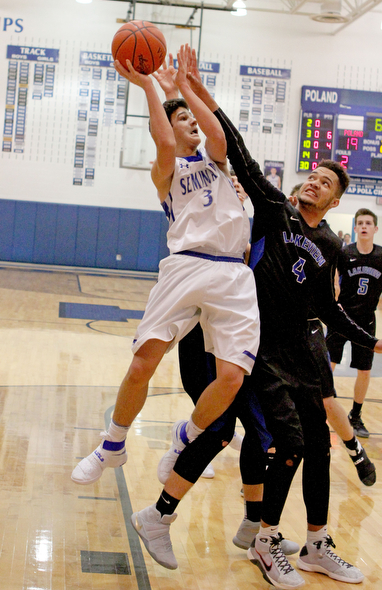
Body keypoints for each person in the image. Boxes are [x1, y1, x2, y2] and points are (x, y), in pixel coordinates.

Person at [130, 47, 382, 587]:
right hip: (237, 336)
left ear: (336, 199)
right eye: (310, 177)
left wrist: (371, 337)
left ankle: (278, 531)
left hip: (286, 345)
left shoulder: (328, 243)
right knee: (244, 432)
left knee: (287, 439)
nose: (314, 183)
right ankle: (171, 512)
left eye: (325, 180)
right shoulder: (273, 209)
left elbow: (328, 307)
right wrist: (198, 91)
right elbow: (240, 154)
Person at [71, 43, 260, 519]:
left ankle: (186, 437)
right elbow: (161, 141)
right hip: (188, 264)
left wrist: (190, 91)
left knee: (232, 378)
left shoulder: (219, 165)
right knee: (143, 362)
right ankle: (112, 444)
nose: (191, 125)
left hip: (235, 275)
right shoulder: (167, 171)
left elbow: (220, 134)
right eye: (183, 121)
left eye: (192, 121)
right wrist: (151, 86)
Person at [289, 190, 376, 486]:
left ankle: (355, 447)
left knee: (327, 396)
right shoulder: (277, 226)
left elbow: (331, 294)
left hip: (314, 325)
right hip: (271, 330)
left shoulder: (329, 242)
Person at [326, 208, 382, 437]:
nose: (364, 226)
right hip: (342, 318)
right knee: (328, 365)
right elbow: (333, 280)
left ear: (375, 229)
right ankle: (319, 409)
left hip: (367, 320)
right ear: (355, 228)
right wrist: (335, 302)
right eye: (360, 223)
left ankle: (356, 415)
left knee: (364, 370)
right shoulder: (344, 253)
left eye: (368, 223)